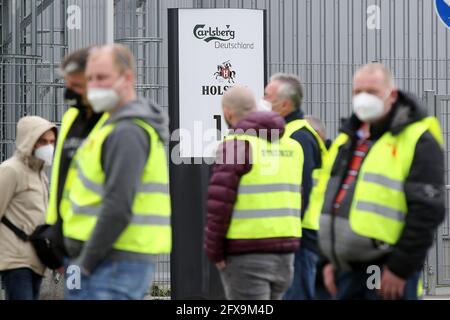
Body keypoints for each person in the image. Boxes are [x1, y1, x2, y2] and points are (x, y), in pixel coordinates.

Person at [313, 63, 445, 300]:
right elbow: (331, 198)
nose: (363, 99)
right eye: (357, 92)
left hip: (386, 267)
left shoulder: (417, 139)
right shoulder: (348, 139)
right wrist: (329, 260)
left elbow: (427, 210)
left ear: (391, 95)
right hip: (345, 267)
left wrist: (400, 268)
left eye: (372, 92)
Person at [62, 44, 171, 300]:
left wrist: (85, 263)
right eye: (89, 79)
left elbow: (118, 206)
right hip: (97, 260)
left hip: (109, 262)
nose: (94, 86)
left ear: (128, 78)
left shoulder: (127, 132)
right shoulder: (111, 127)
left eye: (102, 77)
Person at [204, 86, 302, 300]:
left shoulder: (235, 146)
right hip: (285, 255)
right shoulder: (292, 147)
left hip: (247, 254)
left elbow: (219, 204)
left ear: (228, 113)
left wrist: (214, 251)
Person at [264, 73, 327, 300]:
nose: (263, 101)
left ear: (284, 103)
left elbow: (303, 190)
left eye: (267, 96)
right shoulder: (289, 134)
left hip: (299, 236)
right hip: (294, 233)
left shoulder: (298, 137)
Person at [45, 47, 107, 271]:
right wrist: (55, 233)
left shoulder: (119, 122)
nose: (70, 94)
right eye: (67, 85)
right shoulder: (71, 117)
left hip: (105, 250)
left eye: (77, 86)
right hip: (71, 244)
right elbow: (62, 179)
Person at [0, 116, 57, 300]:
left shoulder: (41, 175)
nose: (48, 146)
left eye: (51, 142)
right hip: (16, 260)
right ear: (29, 140)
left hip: (36, 260)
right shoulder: (11, 170)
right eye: (42, 141)